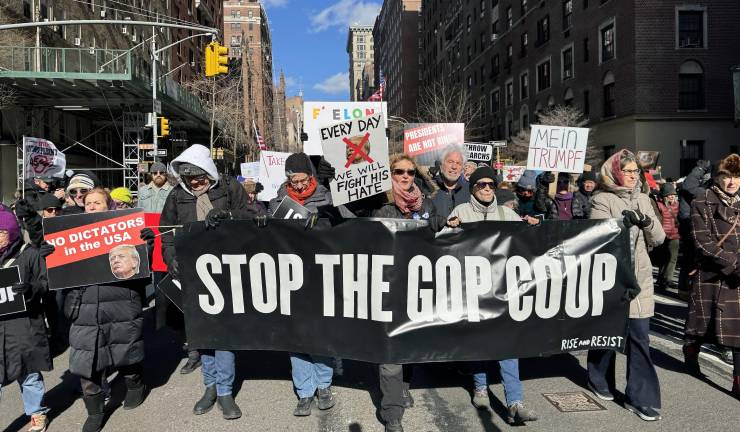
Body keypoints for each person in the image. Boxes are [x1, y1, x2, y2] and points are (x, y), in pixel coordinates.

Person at [161, 144, 261, 420]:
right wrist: (171, 259)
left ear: (209, 172)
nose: (196, 183)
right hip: (194, 273)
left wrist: (229, 216)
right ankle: (209, 387)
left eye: (200, 177)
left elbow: (252, 217)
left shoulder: (229, 188)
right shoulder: (176, 196)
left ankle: (226, 391)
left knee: (224, 334)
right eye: (190, 179)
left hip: (227, 270)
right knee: (203, 333)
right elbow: (166, 232)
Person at [444, 166, 538, 425]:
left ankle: (515, 402)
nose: (486, 188)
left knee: (508, 343)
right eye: (480, 184)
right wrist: (448, 228)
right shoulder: (461, 212)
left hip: (501, 289)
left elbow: (528, 245)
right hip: (471, 289)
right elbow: (440, 246)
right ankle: (480, 386)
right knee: (477, 340)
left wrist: (534, 227)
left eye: (491, 185)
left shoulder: (506, 213)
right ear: (472, 187)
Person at [587, 149, 665, 421]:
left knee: (640, 338)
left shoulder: (644, 198)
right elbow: (597, 237)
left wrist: (646, 222)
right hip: (613, 279)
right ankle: (598, 377)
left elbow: (660, 237)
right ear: (616, 173)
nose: (633, 175)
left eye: (636, 171)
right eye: (628, 171)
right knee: (608, 336)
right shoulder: (602, 199)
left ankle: (638, 398)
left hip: (640, 279)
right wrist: (621, 224)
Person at [65, 188, 148, 432]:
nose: (91, 206)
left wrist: (146, 246)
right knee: (86, 361)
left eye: (97, 202)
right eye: (88, 202)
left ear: (107, 204)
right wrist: (47, 253)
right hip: (85, 305)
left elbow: (140, 268)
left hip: (120, 300)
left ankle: (134, 384)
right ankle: (95, 410)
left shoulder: (123, 229)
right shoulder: (71, 232)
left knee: (124, 349)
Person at [372, 154, 444, 432]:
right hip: (388, 288)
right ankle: (392, 414)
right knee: (390, 354)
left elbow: (439, 226)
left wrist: (448, 225)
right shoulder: (380, 204)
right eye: (398, 171)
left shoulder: (426, 204)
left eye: (410, 172)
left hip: (417, 288)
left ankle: (402, 388)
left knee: (410, 348)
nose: (405, 176)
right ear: (389, 173)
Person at [268, 153, 340, 417]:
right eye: (292, 181)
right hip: (289, 277)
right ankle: (304, 392)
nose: (297, 186)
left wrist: (324, 219)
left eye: (301, 180)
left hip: (320, 276)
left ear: (310, 176)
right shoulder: (277, 201)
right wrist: (264, 223)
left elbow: (341, 228)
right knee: (296, 337)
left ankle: (323, 386)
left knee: (320, 334)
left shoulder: (327, 197)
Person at [683, 153, 740, 397]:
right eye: (726, 176)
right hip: (710, 275)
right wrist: (733, 262)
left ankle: (738, 381)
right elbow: (701, 241)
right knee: (700, 328)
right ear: (716, 177)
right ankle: (691, 351)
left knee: (738, 331)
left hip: (737, 279)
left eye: (736, 176)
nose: (731, 182)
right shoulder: (701, 201)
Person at [0, 207, 51, 432]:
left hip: (23, 326)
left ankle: (37, 413)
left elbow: (46, 282)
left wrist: (31, 289)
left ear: (11, 230)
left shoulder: (29, 253)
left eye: (0, 231)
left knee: (28, 374)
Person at [430, 145, 469, 219]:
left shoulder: (470, 190)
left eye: (458, 163)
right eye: (450, 162)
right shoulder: (429, 188)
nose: (454, 167)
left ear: (462, 168)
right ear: (441, 165)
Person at [654, 183, 680, 290]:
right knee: (663, 258)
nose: (671, 196)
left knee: (672, 258)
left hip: (675, 235)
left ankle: (668, 279)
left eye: (673, 194)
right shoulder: (658, 205)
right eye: (669, 194)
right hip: (663, 235)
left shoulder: (678, 205)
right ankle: (661, 279)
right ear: (664, 195)